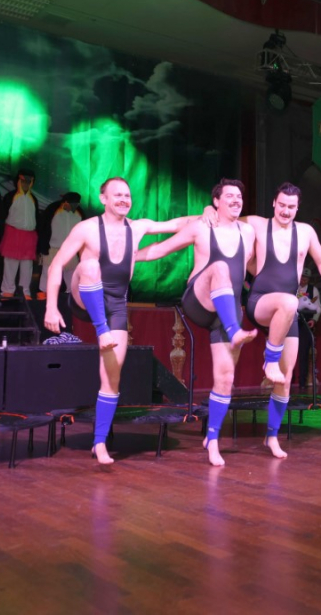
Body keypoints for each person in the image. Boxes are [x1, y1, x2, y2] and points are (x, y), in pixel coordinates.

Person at [43, 177, 203, 465]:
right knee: (89, 265)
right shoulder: (87, 229)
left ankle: (99, 442)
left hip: (115, 306)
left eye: (127, 195)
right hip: (83, 297)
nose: (123, 200)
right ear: (103, 199)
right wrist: (51, 308)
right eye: (117, 195)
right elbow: (56, 265)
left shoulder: (137, 228)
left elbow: (177, 224)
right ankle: (101, 329)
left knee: (111, 378)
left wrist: (208, 214)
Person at [207, 182, 321, 458]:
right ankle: (269, 360)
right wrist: (210, 209)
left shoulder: (305, 232)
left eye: (291, 207)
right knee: (289, 302)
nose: (286, 211)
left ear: (298, 208)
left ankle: (271, 436)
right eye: (282, 205)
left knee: (286, 378)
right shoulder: (257, 224)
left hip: (286, 312)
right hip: (260, 302)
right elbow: (226, 215)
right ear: (273, 204)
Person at [135, 179, 262, 466]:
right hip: (199, 300)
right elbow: (161, 249)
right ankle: (234, 330)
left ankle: (212, 438)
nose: (236, 200)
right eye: (229, 196)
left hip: (228, 309)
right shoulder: (201, 226)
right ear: (216, 201)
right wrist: (130, 258)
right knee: (219, 267)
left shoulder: (248, 231)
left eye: (239, 196)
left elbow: (253, 265)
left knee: (225, 380)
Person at [0, 168, 40, 299]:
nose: (26, 183)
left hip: (29, 236)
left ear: (32, 183)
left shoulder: (33, 199)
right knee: (10, 264)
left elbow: (36, 218)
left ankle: (25, 292)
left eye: (29, 181)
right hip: (13, 233)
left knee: (27, 266)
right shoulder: (11, 197)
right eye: (23, 181)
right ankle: (7, 291)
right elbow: (2, 216)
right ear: (18, 181)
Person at [38, 191, 84, 294]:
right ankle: (43, 293)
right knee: (48, 271)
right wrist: (43, 247)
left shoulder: (79, 213)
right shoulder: (53, 209)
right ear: (65, 202)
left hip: (71, 250)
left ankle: (71, 294)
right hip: (52, 248)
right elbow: (43, 228)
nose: (73, 206)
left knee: (71, 274)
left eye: (76, 204)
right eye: (71, 204)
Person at [295, 267, 321, 391]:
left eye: (305, 278)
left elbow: (317, 307)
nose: (303, 280)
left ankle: (302, 381)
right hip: (292, 322)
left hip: (306, 322)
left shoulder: (313, 290)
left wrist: (314, 320)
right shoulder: (292, 287)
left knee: (304, 352)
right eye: (301, 278)